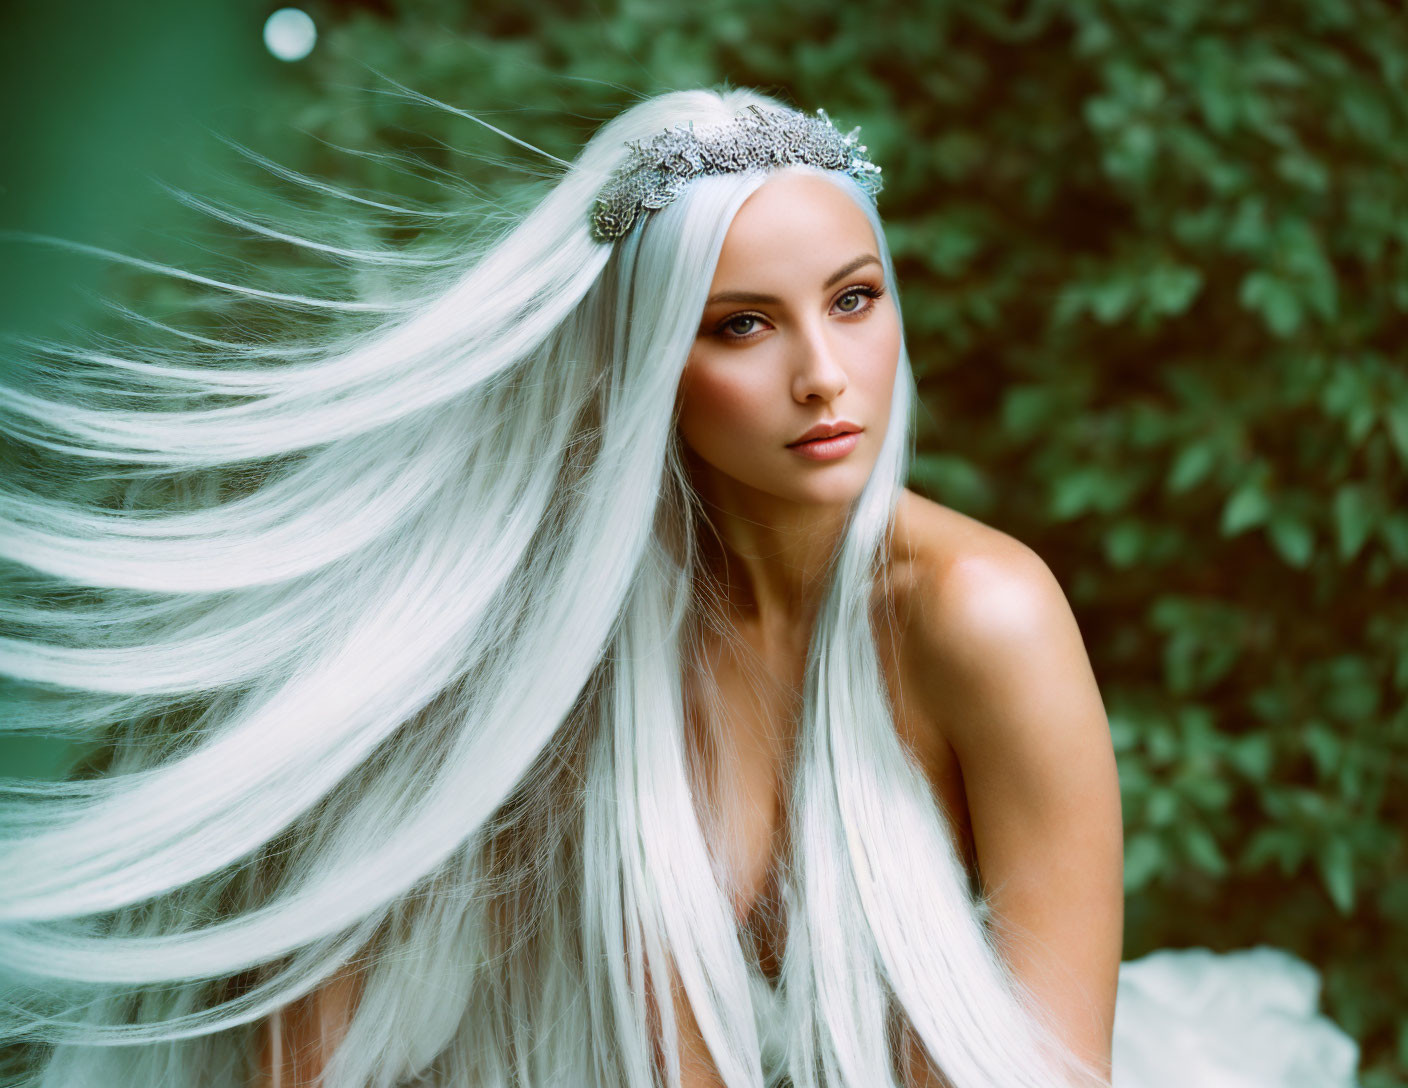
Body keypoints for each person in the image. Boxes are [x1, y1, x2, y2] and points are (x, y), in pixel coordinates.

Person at [0, 86, 1362, 1088]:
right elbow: (302, 998)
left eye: (855, 298)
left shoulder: (978, 615)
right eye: (743, 326)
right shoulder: (548, 627)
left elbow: (1050, 1066)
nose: (825, 376)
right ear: (645, 361)